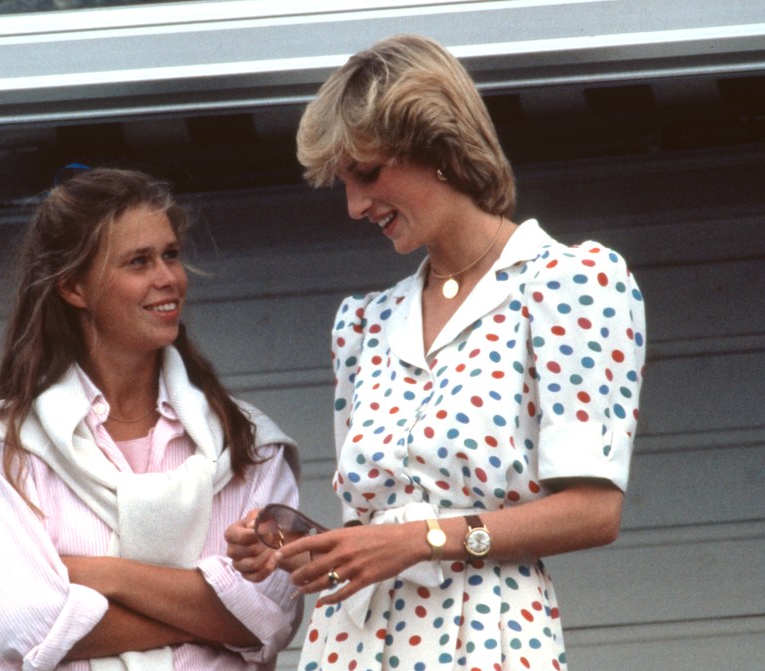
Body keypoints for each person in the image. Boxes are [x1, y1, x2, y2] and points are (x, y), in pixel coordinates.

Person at [226, 34, 646, 670]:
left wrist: (423, 540)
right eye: (344, 183)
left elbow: (594, 512)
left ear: (440, 149)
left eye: (366, 174)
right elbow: (377, 527)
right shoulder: (364, 324)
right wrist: (303, 547)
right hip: (354, 644)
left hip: (487, 635)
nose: (355, 206)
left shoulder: (569, 283)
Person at [0, 168, 303, 671]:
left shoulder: (248, 443)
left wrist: (111, 577)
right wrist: (217, 615)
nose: (168, 278)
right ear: (73, 286)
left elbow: (277, 612)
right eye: (139, 261)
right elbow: (25, 623)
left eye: (171, 255)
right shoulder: (7, 449)